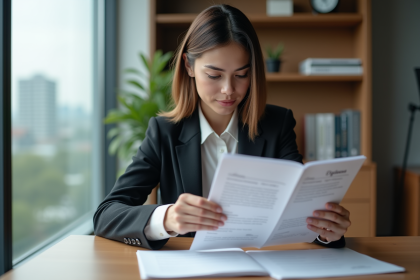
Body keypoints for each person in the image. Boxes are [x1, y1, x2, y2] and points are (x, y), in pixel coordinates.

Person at [93, 4, 350, 250]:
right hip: (189, 267)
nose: (228, 90)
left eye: (241, 75)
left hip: (262, 265)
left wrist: (325, 231)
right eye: (214, 75)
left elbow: (300, 212)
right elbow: (106, 215)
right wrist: (167, 218)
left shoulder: (277, 125)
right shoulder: (164, 132)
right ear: (189, 66)